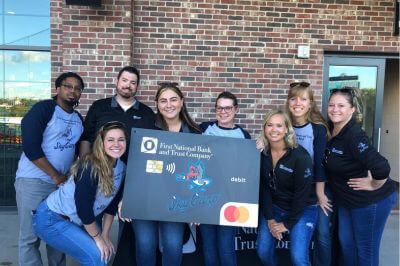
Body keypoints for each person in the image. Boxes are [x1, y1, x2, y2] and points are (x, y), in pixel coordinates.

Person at [120, 82, 201, 266]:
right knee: (145, 244)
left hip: (176, 200)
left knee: (173, 245)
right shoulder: (146, 127)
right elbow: (135, 163)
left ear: (181, 102)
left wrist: (198, 205)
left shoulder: (195, 133)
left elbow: (199, 170)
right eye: (163, 101)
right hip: (145, 196)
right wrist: (126, 197)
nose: (169, 104)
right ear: (157, 104)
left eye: (173, 99)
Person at [33, 121, 127, 266]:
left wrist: (105, 235)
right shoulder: (90, 166)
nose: (116, 144)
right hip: (53, 218)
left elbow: (111, 205)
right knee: (97, 256)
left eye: (121, 140)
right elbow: (83, 209)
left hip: (78, 219)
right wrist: (98, 238)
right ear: (101, 142)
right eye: (110, 140)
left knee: (104, 253)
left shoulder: (121, 167)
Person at [14, 72, 84, 266]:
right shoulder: (43, 109)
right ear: (57, 88)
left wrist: (69, 176)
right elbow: (30, 147)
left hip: (60, 186)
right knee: (30, 236)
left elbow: (78, 152)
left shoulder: (78, 118)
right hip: (33, 182)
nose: (73, 91)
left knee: (57, 236)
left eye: (77, 88)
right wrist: (55, 175)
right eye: (68, 86)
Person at [324, 87, 397, 266]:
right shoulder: (331, 130)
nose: (335, 109)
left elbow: (381, 167)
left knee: (365, 251)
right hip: (347, 201)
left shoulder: (354, 136)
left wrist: (374, 184)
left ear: (352, 109)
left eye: (341, 105)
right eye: (332, 105)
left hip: (369, 202)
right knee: (347, 245)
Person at [257, 110, 317, 266]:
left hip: (303, 209)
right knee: (263, 251)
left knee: (298, 258)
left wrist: (286, 225)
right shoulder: (262, 153)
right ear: (264, 128)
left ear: (286, 129)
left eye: (279, 125)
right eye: (269, 125)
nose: (274, 129)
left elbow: (301, 196)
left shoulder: (300, 156)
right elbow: (264, 188)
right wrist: (270, 219)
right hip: (275, 207)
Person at [199, 91, 250, 266]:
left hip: (230, 199)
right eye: (219, 108)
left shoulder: (244, 136)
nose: (223, 111)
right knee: (209, 248)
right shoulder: (204, 129)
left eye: (227, 108)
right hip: (205, 197)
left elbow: (248, 168)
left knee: (226, 247)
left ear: (236, 109)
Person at [285, 81, 332, 266]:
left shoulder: (318, 129)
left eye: (303, 99)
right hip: (288, 192)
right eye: (293, 98)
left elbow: (320, 164)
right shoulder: (283, 124)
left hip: (313, 192)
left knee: (322, 235)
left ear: (310, 103)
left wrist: (320, 194)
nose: (298, 103)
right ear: (288, 102)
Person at [79, 65, 155, 160]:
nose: (128, 85)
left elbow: (153, 143)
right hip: (101, 169)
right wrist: (83, 165)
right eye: (124, 80)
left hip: (134, 169)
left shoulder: (147, 113)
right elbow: (86, 138)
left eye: (133, 82)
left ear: (137, 86)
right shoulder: (99, 107)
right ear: (117, 81)